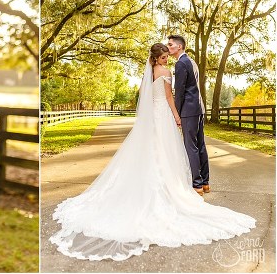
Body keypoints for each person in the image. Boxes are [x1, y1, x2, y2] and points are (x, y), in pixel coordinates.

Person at [49, 43, 255, 261]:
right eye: (164, 57)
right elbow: (168, 98)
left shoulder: (150, 73)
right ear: (157, 59)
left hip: (152, 117)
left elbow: (146, 95)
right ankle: (167, 188)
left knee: (155, 152)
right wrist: (176, 116)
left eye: (167, 56)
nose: (167, 60)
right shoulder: (165, 73)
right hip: (164, 115)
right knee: (165, 153)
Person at [167, 35, 209, 195]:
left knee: (190, 146)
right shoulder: (191, 61)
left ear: (179, 47)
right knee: (201, 145)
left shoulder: (180, 63)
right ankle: (205, 182)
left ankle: (197, 185)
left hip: (188, 111)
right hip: (199, 108)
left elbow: (180, 92)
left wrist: (176, 113)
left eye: (170, 45)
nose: (168, 47)